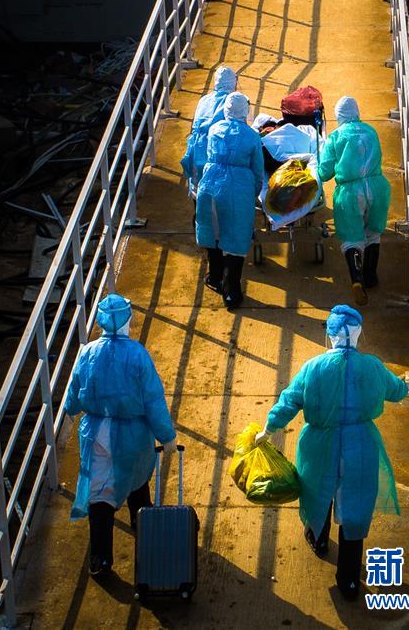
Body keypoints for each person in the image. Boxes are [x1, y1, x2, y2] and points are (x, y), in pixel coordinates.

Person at [255, 305, 408, 600]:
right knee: (356, 507)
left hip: (319, 444)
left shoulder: (313, 367)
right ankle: (348, 580)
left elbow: (289, 400)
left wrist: (269, 428)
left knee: (319, 492)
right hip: (360, 444)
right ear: (359, 334)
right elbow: (397, 390)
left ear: (330, 335)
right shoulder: (373, 366)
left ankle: (319, 539)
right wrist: (406, 385)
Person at [64, 293, 177, 577]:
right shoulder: (138, 354)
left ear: (101, 321)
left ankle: (100, 560)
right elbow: (153, 400)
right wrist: (167, 437)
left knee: (99, 496)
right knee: (137, 484)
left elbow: (73, 398)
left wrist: (71, 409)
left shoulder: (87, 352)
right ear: (128, 320)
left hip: (96, 434)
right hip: (132, 435)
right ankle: (148, 542)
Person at [317, 96, 390, 306]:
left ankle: (356, 279)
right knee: (373, 233)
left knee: (352, 237)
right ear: (356, 112)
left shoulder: (336, 136)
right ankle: (370, 276)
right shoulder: (371, 131)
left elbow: (324, 172)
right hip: (377, 187)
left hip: (350, 191)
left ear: (338, 115)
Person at [195, 92, 264, 309]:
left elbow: (205, 155)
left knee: (213, 233)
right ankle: (231, 292)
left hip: (211, 183)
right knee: (236, 237)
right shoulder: (252, 136)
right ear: (245, 111)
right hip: (239, 188)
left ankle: (215, 277)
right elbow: (258, 170)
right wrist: (252, 193)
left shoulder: (215, 129)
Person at [180, 65, 237, 197]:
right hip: (218, 149)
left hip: (198, 148)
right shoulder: (232, 102)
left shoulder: (204, 100)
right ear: (233, 82)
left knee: (199, 188)